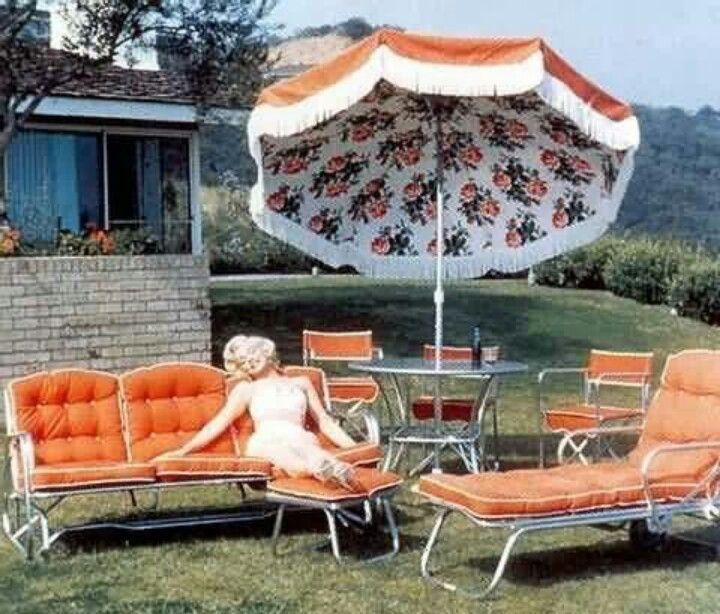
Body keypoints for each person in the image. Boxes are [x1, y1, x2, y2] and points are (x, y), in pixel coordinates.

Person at [153, 335, 363, 490]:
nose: (249, 361)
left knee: (312, 450)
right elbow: (219, 423)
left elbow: (325, 422)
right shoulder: (246, 390)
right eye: (243, 361)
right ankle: (326, 473)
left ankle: (339, 473)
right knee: (292, 460)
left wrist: (357, 448)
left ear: (267, 353)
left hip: (298, 435)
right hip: (265, 441)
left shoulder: (301, 383)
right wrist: (183, 451)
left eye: (252, 354)